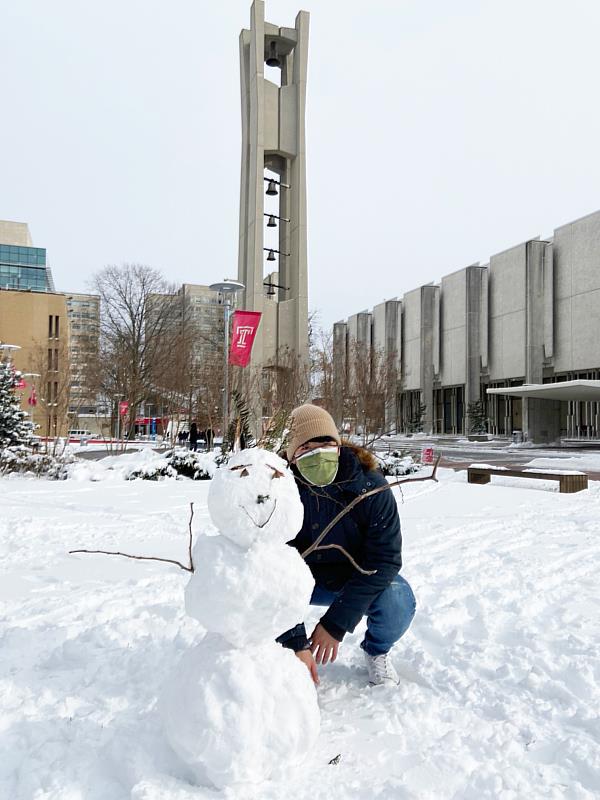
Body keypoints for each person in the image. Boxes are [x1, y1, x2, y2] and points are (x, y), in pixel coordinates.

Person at [277, 404, 416, 686]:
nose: (318, 453)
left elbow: (384, 560)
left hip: (353, 577)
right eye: (306, 447)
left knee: (398, 598)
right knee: (255, 589)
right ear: (291, 456)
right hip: (297, 579)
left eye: (326, 443)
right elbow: (268, 567)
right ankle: (273, 655)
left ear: (339, 446)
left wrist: (335, 624)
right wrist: (296, 643)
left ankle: (376, 652)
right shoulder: (279, 492)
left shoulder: (371, 489)